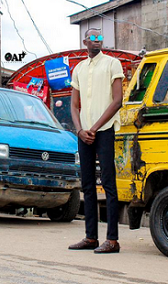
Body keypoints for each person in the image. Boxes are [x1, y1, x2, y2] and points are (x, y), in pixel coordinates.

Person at [69, 28, 124, 253]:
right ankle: (90, 237)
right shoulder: (79, 68)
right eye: (93, 37)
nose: (97, 41)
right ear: (85, 41)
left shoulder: (112, 64)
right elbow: (74, 105)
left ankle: (112, 240)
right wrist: (80, 130)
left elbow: (118, 100)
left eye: (100, 37)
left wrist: (94, 127)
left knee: (109, 184)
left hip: (104, 130)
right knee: (88, 185)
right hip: (85, 134)